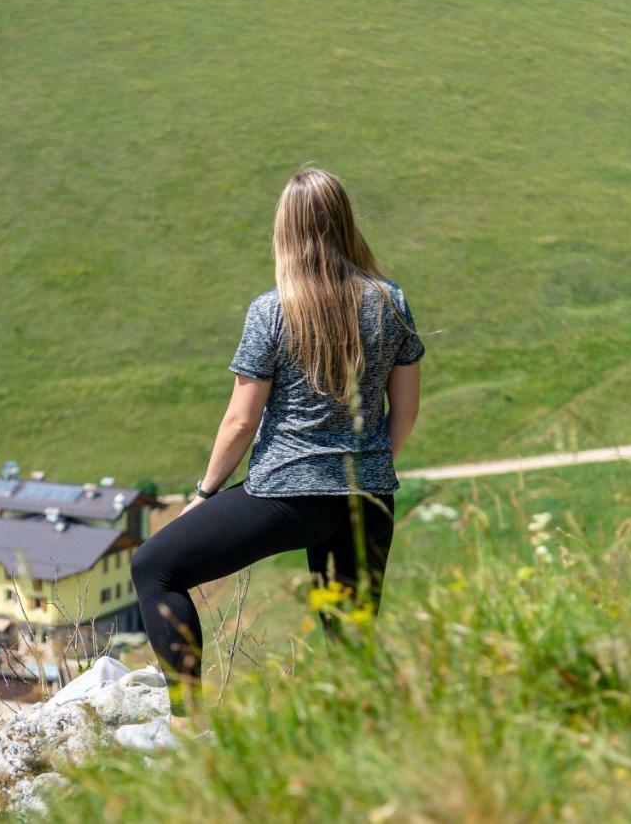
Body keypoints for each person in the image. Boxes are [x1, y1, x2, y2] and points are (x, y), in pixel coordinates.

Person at [130, 167, 424, 719]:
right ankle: (367, 752)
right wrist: (369, 472)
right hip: (369, 495)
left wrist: (206, 490)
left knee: (155, 569)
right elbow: (405, 409)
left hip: (287, 494)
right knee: (351, 643)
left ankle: (188, 722)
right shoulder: (390, 301)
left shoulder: (273, 309)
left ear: (286, 230)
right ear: (345, 221)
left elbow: (241, 421)